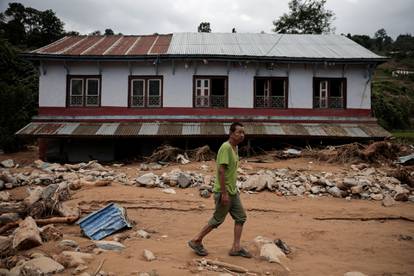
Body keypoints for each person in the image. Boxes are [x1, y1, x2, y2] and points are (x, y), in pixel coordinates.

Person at [188, 122, 251, 258]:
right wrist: (224, 193)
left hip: (233, 191)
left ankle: (236, 247)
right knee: (217, 219)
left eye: (243, 133)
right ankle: (196, 240)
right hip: (224, 192)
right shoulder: (226, 147)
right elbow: (221, 171)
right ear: (231, 133)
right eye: (239, 132)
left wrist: (233, 189)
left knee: (241, 217)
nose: (241, 135)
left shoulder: (235, 148)